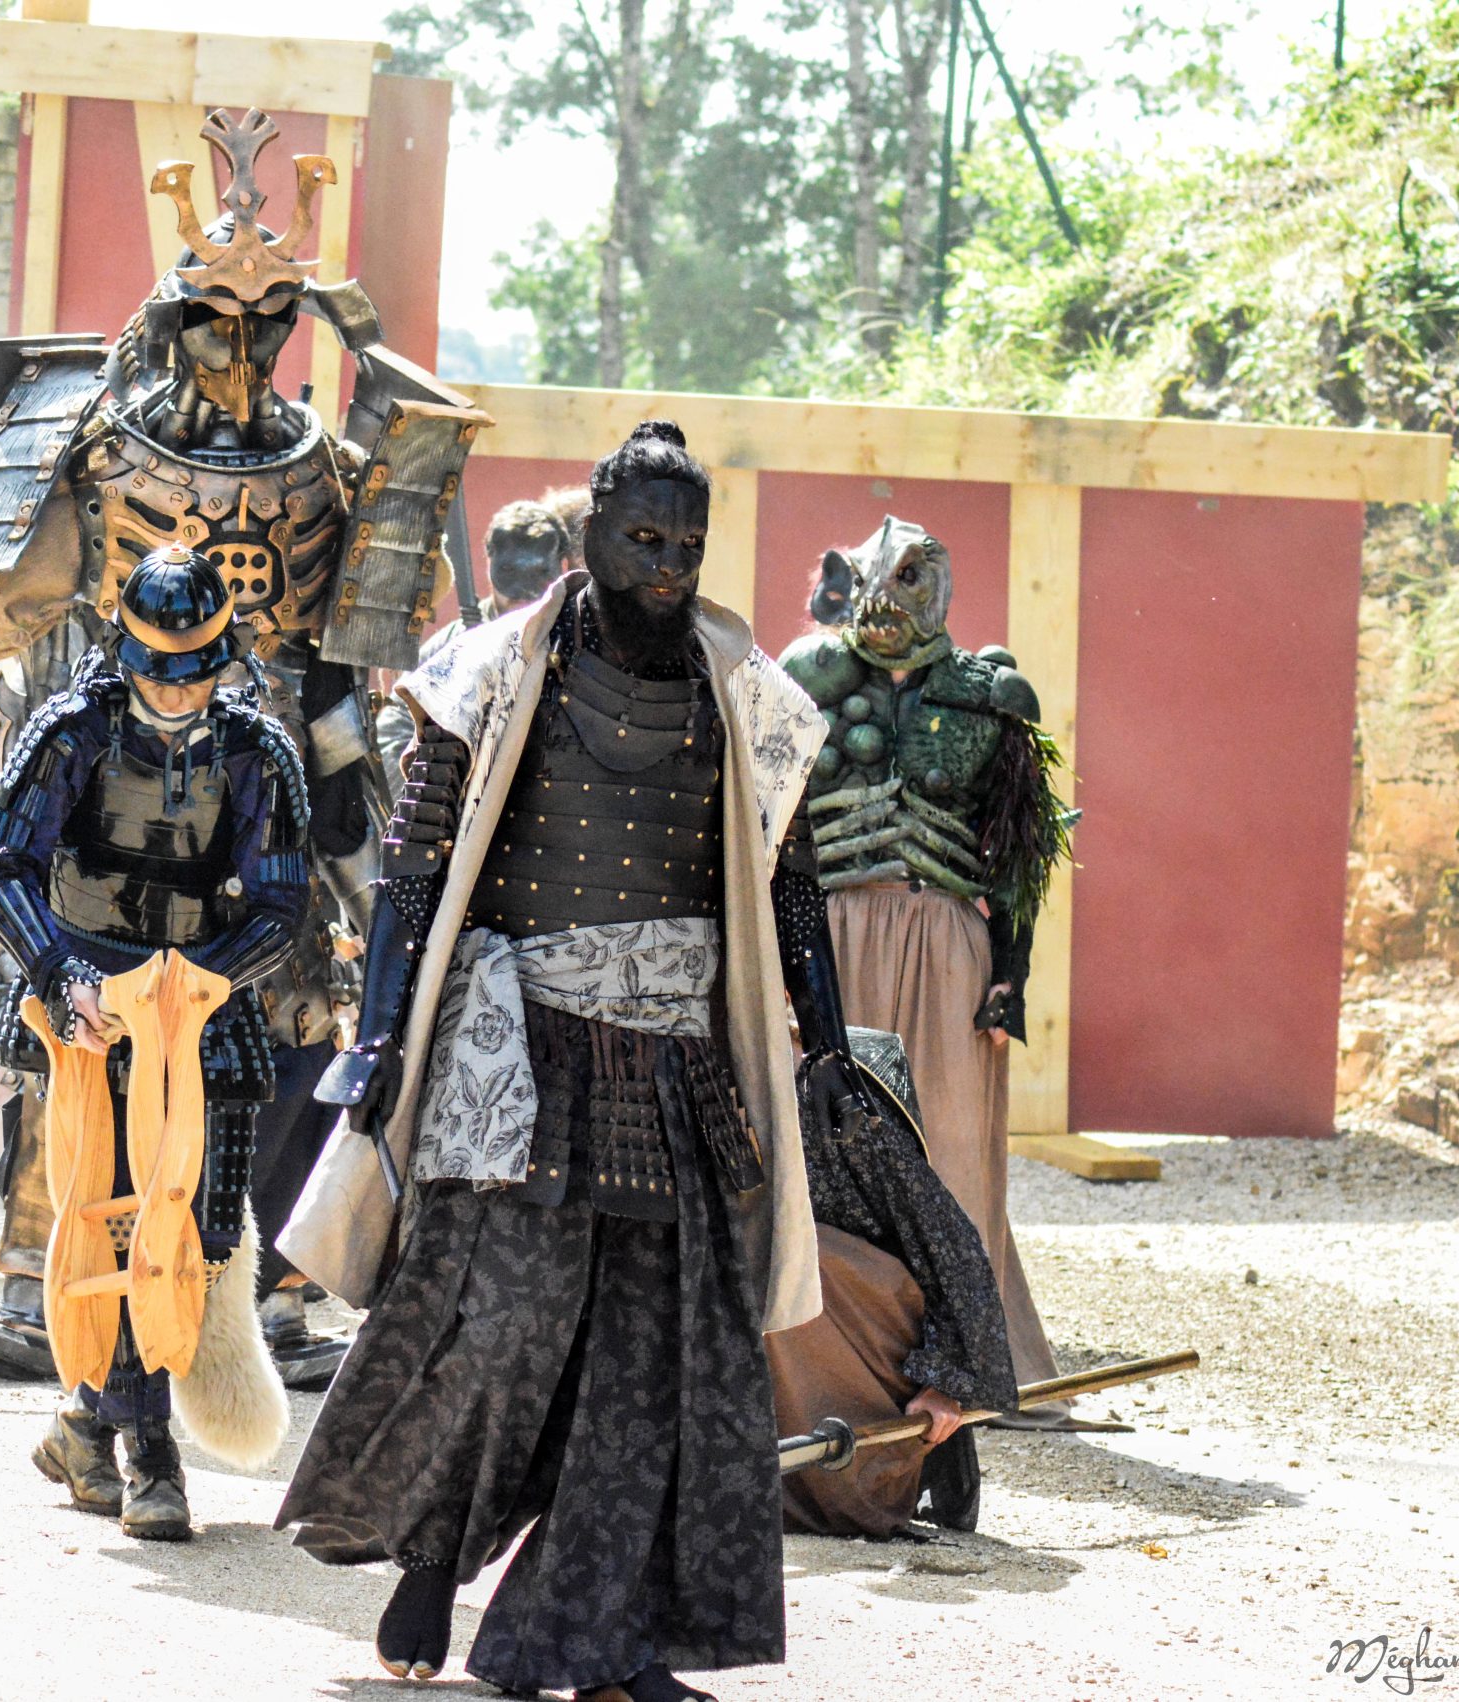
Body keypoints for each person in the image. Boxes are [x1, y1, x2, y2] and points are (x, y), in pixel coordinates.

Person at [276, 422, 864, 1701]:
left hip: (677, 1068)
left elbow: (790, 883)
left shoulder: (749, 695)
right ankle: (431, 1554)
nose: (667, 566)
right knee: (499, 1328)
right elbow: (416, 870)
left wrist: (825, 1041)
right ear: (590, 533)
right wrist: (378, 1038)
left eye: (687, 544)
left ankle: (603, 1643)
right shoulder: (491, 672)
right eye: (643, 539)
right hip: (519, 1057)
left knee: (656, 1364)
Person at [0, 107, 477, 1391]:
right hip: (116, 752)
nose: (243, 346)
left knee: (301, 1014)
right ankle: (44, 1277)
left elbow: (372, 629)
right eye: (220, 320)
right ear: (177, 321)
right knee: (65, 1016)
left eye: (269, 320)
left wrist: (348, 804)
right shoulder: (98, 444)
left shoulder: (329, 464)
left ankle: (259, 1288)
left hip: (273, 761)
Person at [0, 545, 305, 1542]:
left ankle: (84, 1421)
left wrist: (202, 982)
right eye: (158, 670)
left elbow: (281, 901)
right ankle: (148, 1452)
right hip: (85, 997)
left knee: (200, 1231)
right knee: (115, 1222)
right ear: (125, 654)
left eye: (193, 671)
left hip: (202, 998)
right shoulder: (71, 731)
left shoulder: (256, 752)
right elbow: (3, 866)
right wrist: (57, 973)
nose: (174, 689)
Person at [777, 517, 1075, 1405]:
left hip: (944, 940)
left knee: (945, 1143)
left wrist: (1011, 974)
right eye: (878, 577)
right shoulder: (802, 681)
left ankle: (967, 1355)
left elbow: (1018, 850)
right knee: (824, 1142)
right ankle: (829, 1359)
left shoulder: (989, 697)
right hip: (826, 936)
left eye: (910, 578)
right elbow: (764, 826)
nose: (888, 596)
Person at [768, 1026, 1018, 1536]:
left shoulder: (832, 1090)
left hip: (859, 1330)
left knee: (778, 1252)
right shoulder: (691, 1073)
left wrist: (943, 1384)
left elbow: (952, 1248)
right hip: (767, 1337)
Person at [374, 489, 584, 773]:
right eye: (510, 572)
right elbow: (394, 727)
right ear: (489, 564)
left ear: (562, 566)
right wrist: (437, 782)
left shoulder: (580, 637)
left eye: (537, 574)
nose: (522, 594)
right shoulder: (458, 642)